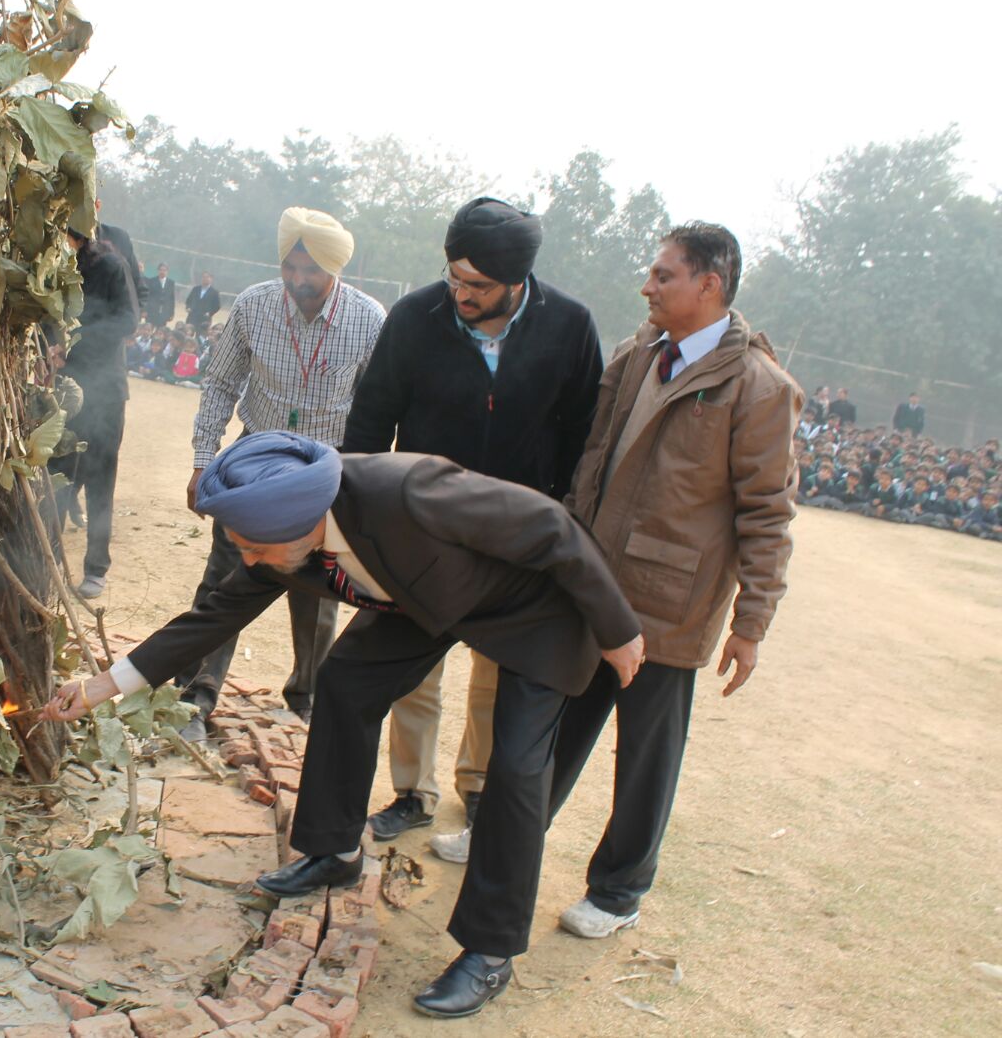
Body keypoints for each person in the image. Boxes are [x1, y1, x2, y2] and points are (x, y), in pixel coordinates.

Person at [42, 432, 645, 1019]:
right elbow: (211, 616)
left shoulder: (410, 490)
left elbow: (551, 527)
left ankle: (490, 950)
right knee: (345, 682)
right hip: (420, 602)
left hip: (530, 608)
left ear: (303, 521)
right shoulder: (274, 532)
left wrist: (618, 630)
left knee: (514, 768)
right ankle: (333, 851)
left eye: (255, 548)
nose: (249, 561)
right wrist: (101, 686)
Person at [549, 222, 803, 940]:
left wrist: (751, 623)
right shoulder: (637, 354)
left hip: (670, 603)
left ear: (710, 285)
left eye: (664, 275)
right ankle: (512, 834)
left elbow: (767, 513)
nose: (648, 286)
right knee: (553, 723)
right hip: (595, 583)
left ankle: (618, 892)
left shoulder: (756, 387)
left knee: (646, 754)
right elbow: (593, 457)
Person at [341, 197, 604, 861]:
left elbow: (583, 433)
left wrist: (562, 521)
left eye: (478, 285)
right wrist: (362, 515)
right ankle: (411, 792)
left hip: (517, 536)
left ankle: (480, 787)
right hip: (421, 531)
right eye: (454, 277)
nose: (460, 293)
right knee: (412, 672)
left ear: (517, 282)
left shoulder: (570, 326)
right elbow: (371, 421)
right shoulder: (414, 317)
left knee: (499, 670)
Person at [171, 208, 385, 740]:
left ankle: (307, 695)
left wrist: (358, 482)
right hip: (254, 459)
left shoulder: (369, 320)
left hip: (325, 466)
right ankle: (198, 696)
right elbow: (220, 384)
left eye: (310, 269)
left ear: (334, 268)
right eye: (290, 267)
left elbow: (376, 408)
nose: (298, 280)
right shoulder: (254, 306)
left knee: (318, 584)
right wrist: (204, 459)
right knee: (225, 573)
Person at [50, 229, 139, 600]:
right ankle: (49, 562)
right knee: (56, 477)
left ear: (80, 236)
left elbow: (128, 322)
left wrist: (72, 340)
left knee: (101, 479)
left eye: (65, 236)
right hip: (64, 390)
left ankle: (96, 568)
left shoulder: (110, 266)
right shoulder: (50, 268)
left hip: (105, 390)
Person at [146, 262, 177, 327]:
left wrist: (171, 313)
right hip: (151, 312)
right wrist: (144, 310)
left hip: (164, 313)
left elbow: (172, 299)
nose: (162, 272)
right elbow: (147, 297)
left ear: (167, 271)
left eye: (164, 270)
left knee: (160, 331)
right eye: (161, 270)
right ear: (158, 270)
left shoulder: (171, 283)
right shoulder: (151, 281)